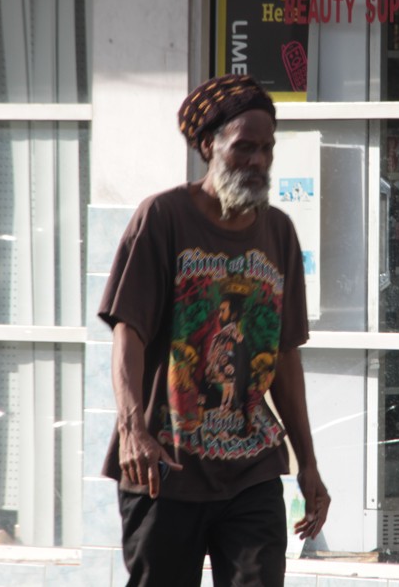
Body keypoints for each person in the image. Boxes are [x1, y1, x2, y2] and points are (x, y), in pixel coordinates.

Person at [98, 74, 330, 587]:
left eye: (267, 148)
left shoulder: (279, 233)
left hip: (252, 468)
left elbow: (284, 356)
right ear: (208, 145)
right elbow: (128, 333)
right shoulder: (163, 218)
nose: (258, 160)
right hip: (164, 467)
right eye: (244, 146)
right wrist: (133, 430)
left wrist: (308, 464)